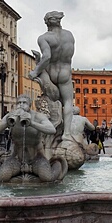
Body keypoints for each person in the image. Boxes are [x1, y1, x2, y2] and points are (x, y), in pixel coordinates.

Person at [0, 94, 64, 183]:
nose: (21, 105)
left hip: (36, 158)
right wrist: (6, 123)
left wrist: (32, 123)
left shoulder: (37, 116)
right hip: (17, 158)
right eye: (19, 103)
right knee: (2, 178)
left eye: (24, 103)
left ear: (29, 105)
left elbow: (51, 130)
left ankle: (56, 165)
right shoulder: (11, 116)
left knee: (47, 178)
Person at [29, 11, 76, 141]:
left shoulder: (44, 38)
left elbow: (47, 57)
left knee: (50, 101)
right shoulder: (69, 35)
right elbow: (69, 55)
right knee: (67, 102)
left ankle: (50, 131)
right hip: (65, 72)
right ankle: (66, 133)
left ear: (47, 22)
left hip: (51, 72)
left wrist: (35, 71)